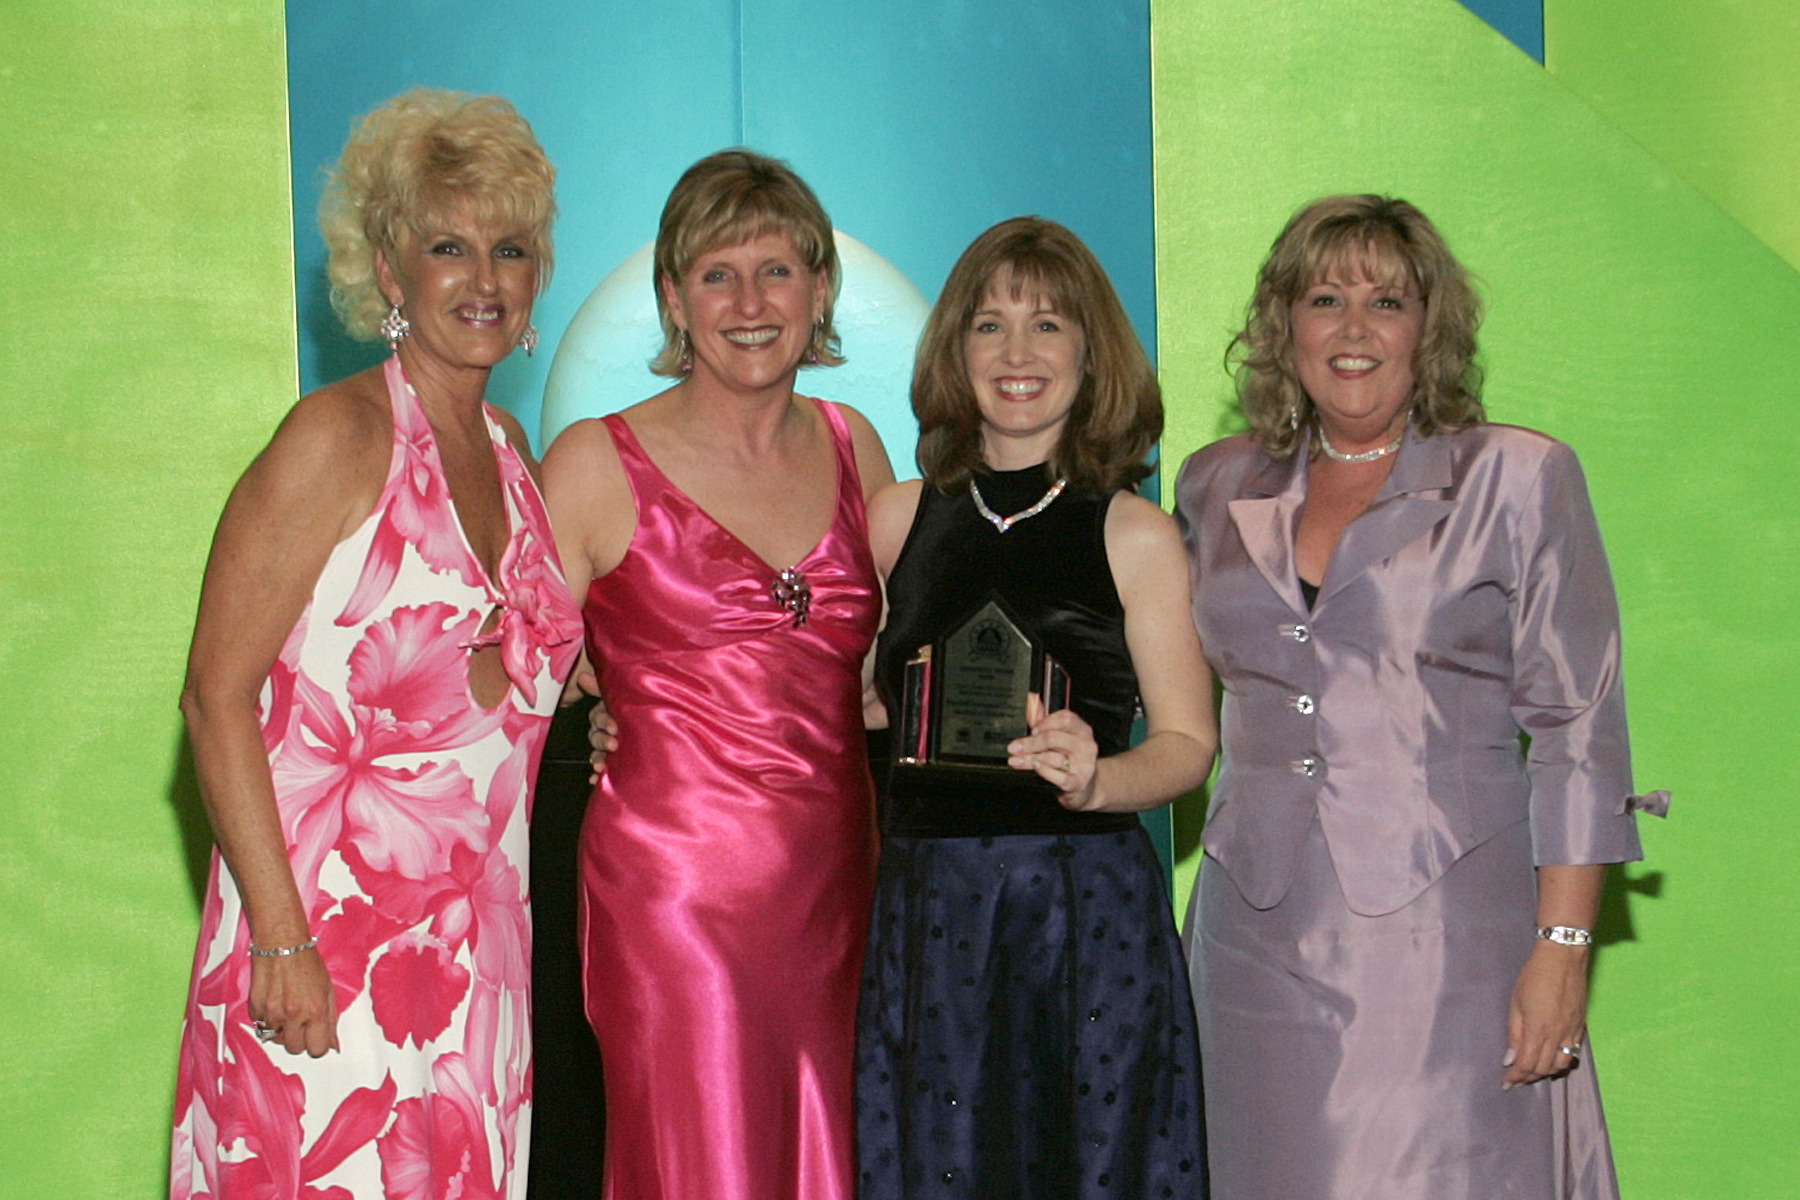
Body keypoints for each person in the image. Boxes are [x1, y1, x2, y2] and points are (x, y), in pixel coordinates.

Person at [1176, 194, 1667, 1199]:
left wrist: (1564, 949)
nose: (1353, 329)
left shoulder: (1518, 477)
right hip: (1250, 941)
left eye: (1386, 302)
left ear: (1428, 328)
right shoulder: (1214, 484)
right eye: (1325, 300)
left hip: (1451, 948)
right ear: (1284, 326)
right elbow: (1169, 685)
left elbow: (1578, 725)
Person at [171, 90, 579, 1199]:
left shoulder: (511, 450)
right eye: (449, 248)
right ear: (390, 272)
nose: (485, 278)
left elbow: (500, 682)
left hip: (477, 974)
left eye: (511, 249)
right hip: (320, 962)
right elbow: (214, 697)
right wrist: (279, 937)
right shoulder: (336, 435)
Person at [542, 149, 894, 1200]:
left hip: (840, 893)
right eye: (716, 275)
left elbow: (886, 680)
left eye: (777, 270)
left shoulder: (858, 446)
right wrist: (589, 700)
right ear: (672, 298)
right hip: (673, 903)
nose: (749, 303)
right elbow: (507, 673)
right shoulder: (593, 461)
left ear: (820, 289)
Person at [857, 217, 1217, 1199]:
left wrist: (1101, 780)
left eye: (1047, 324)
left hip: (1080, 911)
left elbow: (1188, 742)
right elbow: (858, 703)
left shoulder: (1135, 533)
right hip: (930, 908)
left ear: (1091, 354)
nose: (1017, 353)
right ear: (954, 349)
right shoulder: (895, 517)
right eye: (990, 324)